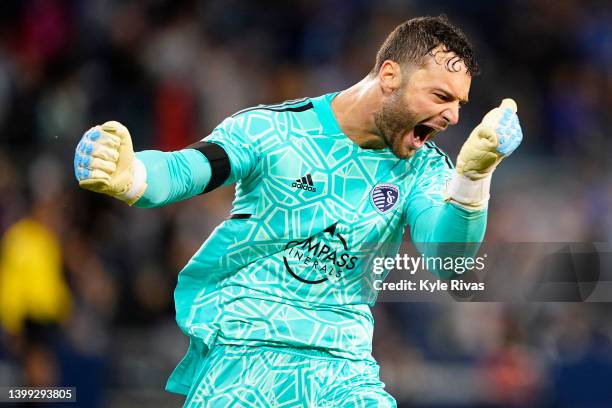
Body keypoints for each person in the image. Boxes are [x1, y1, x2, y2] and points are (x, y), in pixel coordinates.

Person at [73, 15, 522, 408]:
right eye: (441, 96)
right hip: (243, 357)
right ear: (389, 75)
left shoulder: (424, 168)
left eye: (459, 104)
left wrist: (473, 179)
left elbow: (450, 260)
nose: (452, 117)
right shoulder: (272, 130)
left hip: (343, 370)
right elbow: (184, 170)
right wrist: (131, 174)